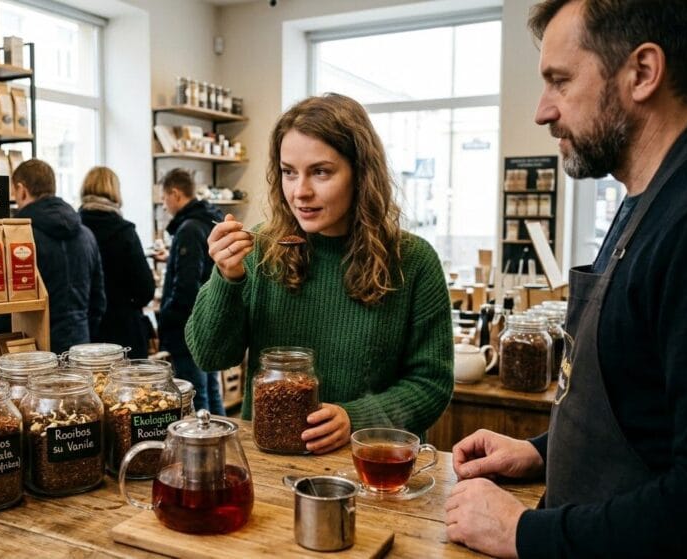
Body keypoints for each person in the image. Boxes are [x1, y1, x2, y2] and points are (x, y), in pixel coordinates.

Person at [444, 1, 687, 557]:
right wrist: (539, 450)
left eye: (559, 81)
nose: (542, 111)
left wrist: (521, 532)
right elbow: (643, 415)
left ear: (643, 72)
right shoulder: (645, 200)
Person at [185, 93, 454, 454]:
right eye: (288, 172)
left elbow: (431, 384)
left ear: (360, 173)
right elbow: (210, 356)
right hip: (268, 460)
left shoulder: (413, 261)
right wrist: (226, 278)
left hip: (371, 463)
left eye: (321, 172)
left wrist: (355, 418)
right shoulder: (263, 249)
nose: (300, 192)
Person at [0, 159, 105, 360]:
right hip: (79, 350)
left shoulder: (16, 237)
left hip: (30, 357)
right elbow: (98, 301)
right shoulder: (86, 235)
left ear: (21, 190)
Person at [158, 168, 226, 415]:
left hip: (190, 328)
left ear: (175, 194)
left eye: (164, 198)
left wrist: (166, 316)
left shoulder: (188, 229)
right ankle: (224, 444)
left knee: (196, 395)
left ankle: (205, 450)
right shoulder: (208, 221)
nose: (164, 205)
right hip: (210, 321)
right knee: (211, 391)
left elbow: (187, 287)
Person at [78, 166, 155, 359]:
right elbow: (145, 290)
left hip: (85, 333)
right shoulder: (124, 232)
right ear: (115, 192)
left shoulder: (74, 230)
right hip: (123, 332)